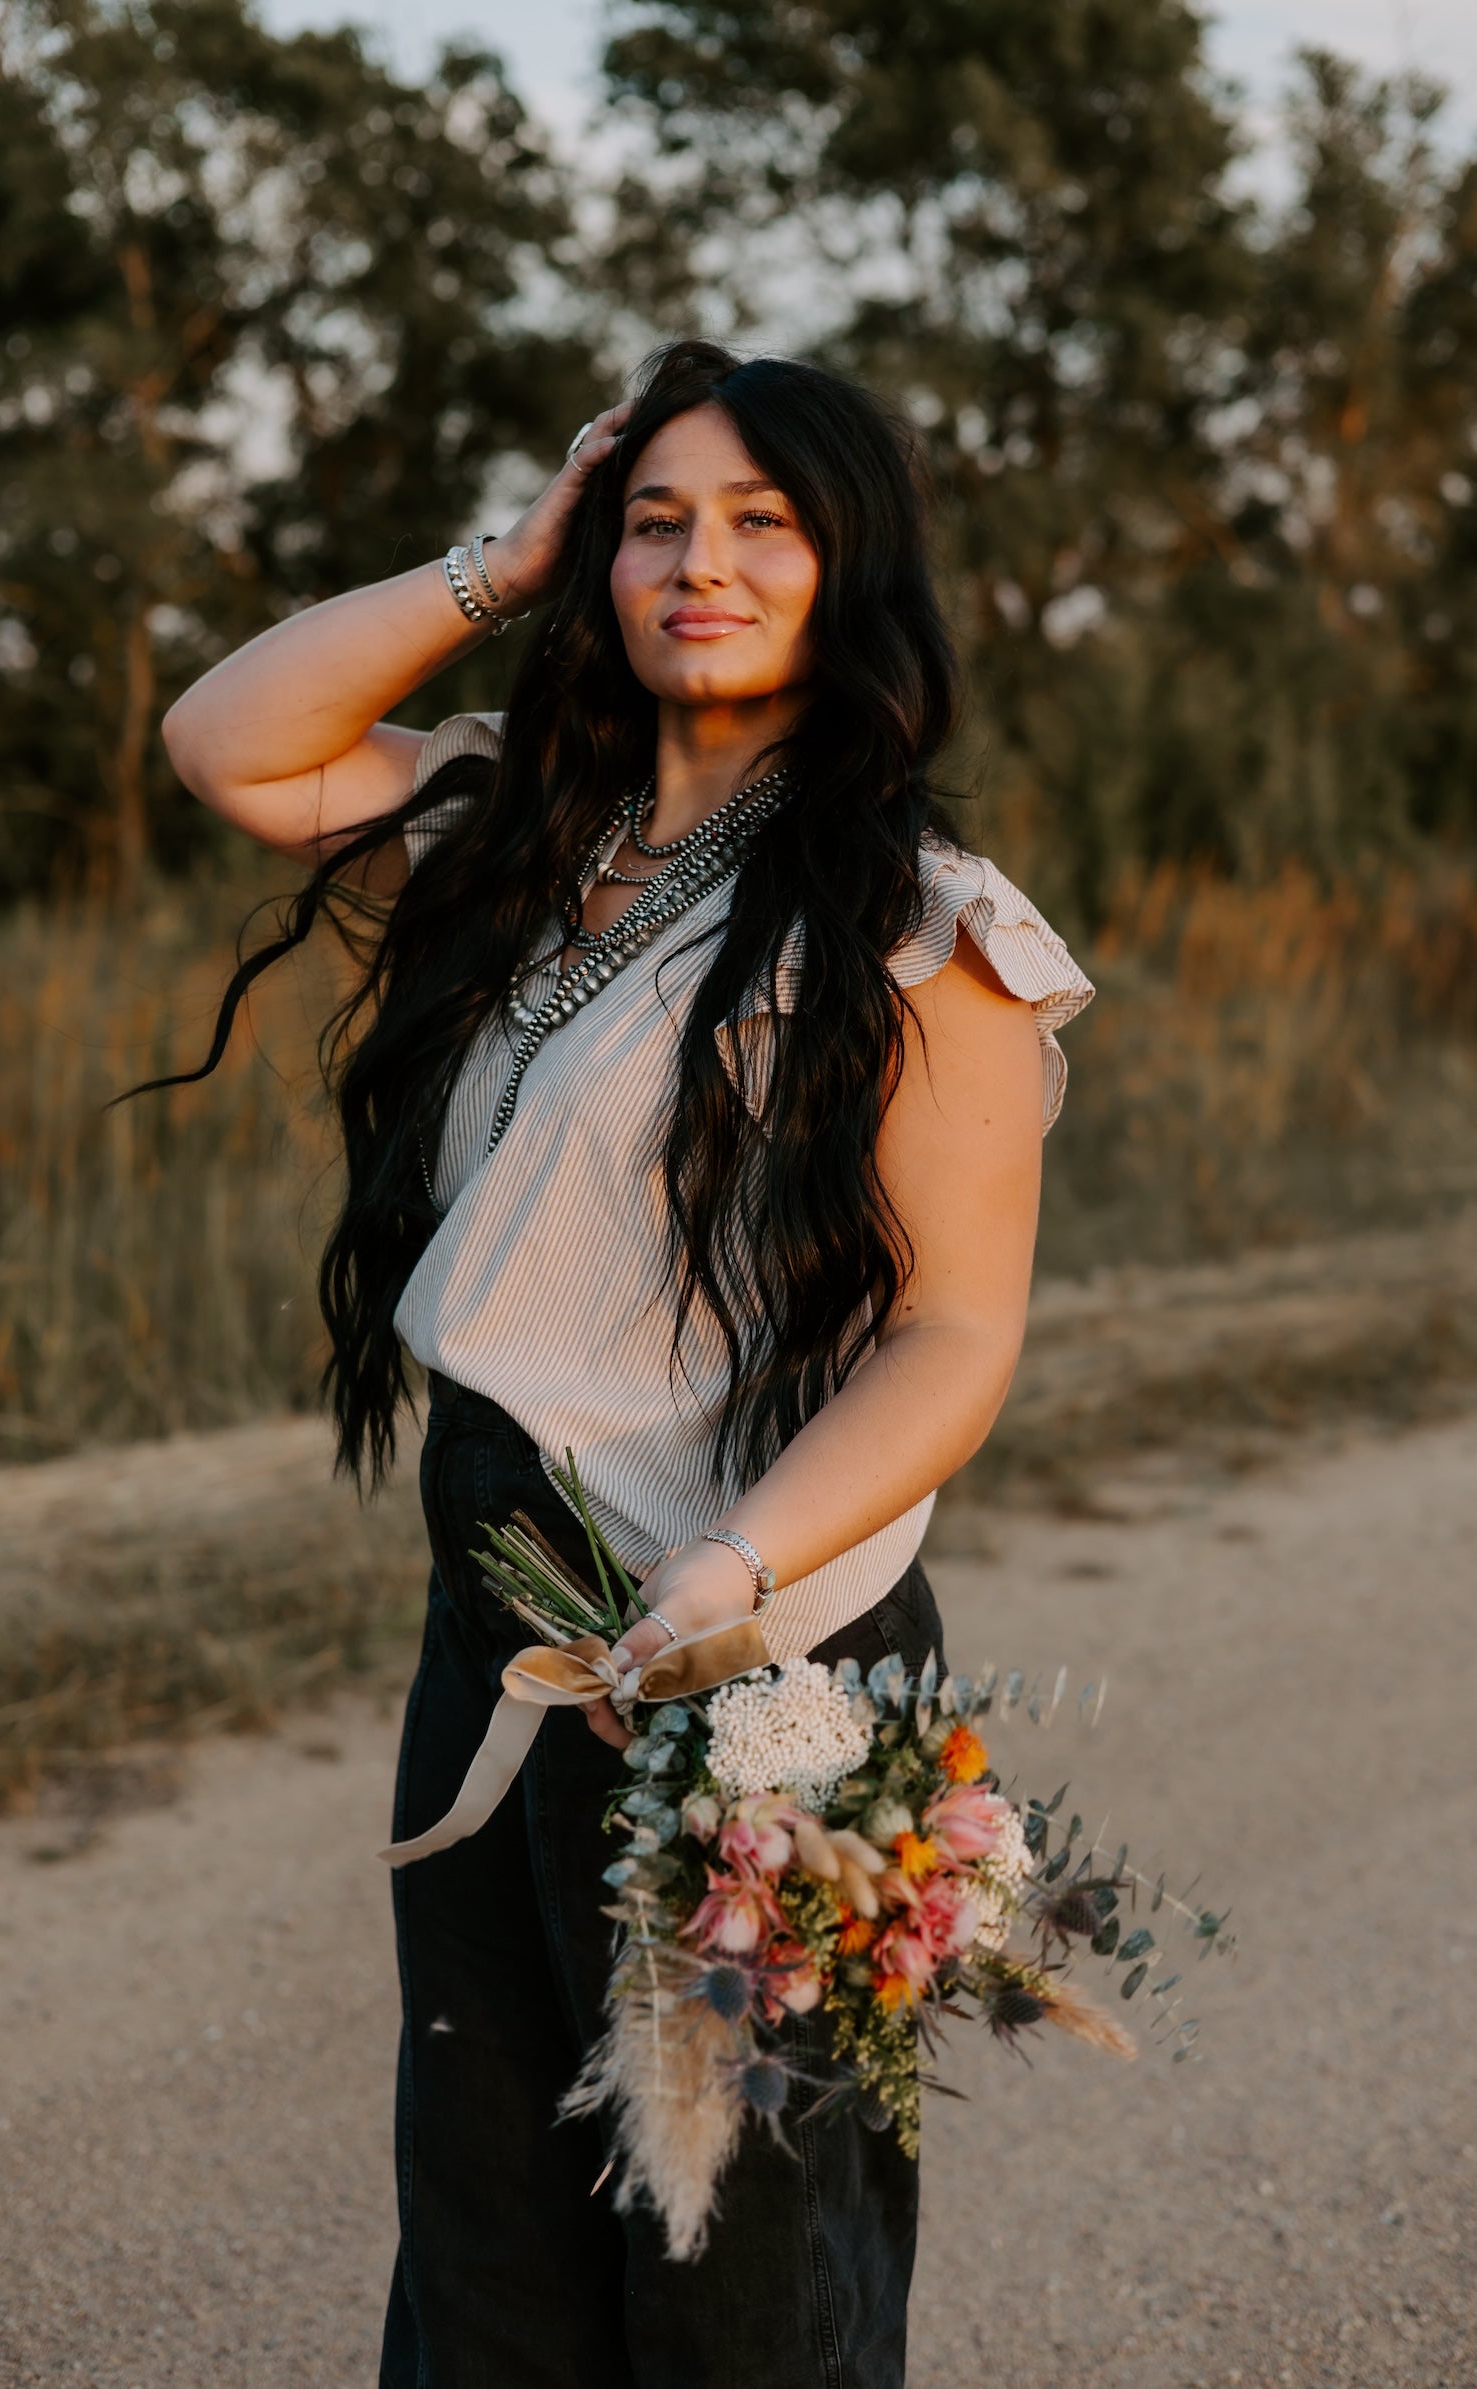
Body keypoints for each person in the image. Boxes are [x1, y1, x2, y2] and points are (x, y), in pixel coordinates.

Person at [158, 339, 1093, 2388]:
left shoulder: (916, 921)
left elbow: (953, 1333)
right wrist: (502, 562)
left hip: (751, 1644)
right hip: (500, 1609)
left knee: (742, 2265)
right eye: (656, 519)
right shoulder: (513, 826)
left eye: (763, 521)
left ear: (852, 565)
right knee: (489, 2211)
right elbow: (225, 740)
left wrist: (730, 1573)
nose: (702, 562)